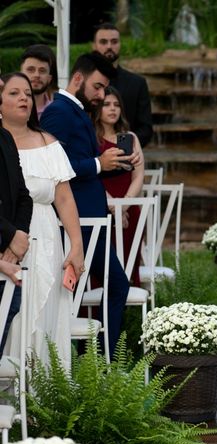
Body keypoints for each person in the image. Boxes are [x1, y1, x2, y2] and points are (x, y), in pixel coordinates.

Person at [40, 52, 137, 358]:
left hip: (92, 219)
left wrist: (119, 163)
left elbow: (86, 164)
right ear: (79, 78)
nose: (101, 95)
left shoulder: (78, 110)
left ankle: (89, 359)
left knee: (97, 290)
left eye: (105, 89)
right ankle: (103, 363)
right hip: (78, 221)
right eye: (97, 87)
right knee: (115, 286)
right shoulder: (58, 112)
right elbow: (56, 166)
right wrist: (98, 163)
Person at [0, 72, 83, 367]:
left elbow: (65, 198)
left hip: (46, 236)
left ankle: (46, 395)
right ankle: (12, 396)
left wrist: (76, 245)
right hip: (7, 234)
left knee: (45, 309)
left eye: (26, 93)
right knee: (13, 312)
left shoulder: (49, 143)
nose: (24, 97)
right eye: (14, 93)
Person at [94, 86, 145, 286]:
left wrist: (123, 206)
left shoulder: (131, 138)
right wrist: (112, 206)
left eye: (116, 105)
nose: (113, 109)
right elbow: (92, 175)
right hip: (101, 207)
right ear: (98, 108)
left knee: (127, 265)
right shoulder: (92, 139)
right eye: (107, 105)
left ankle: (127, 312)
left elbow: (138, 176)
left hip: (129, 210)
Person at [0, 73, 33, 359]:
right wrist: (11, 235)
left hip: (11, 256)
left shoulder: (5, 138)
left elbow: (24, 195)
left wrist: (19, 237)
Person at [92, 23, 153, 148]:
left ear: (120, 44)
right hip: (91, 156)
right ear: (94, 46)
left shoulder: (137, 83)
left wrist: (123, 147)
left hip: (128, 156)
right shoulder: (84, 84)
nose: (109, 46)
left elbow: (146, 128)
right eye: (103, 42)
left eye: (114, 42)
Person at [20, 44, 58, 119]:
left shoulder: (57, 113)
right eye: (30, 69)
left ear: (49, 78)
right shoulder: (5, 109)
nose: (37, 75)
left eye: (42, 71)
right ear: (20, 73)